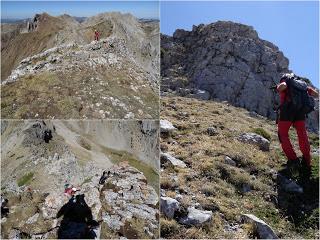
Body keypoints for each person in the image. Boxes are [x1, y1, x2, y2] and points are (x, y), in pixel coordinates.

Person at [277, 73, 319, 178]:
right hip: (300, 112)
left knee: (283, 135)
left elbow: (282, 87)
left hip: (287, 111)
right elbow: (316, 94)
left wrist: (279, 86)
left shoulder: (286, 81)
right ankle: (307, 161)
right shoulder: (302, 85)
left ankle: (293, 160)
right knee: (302, 134)